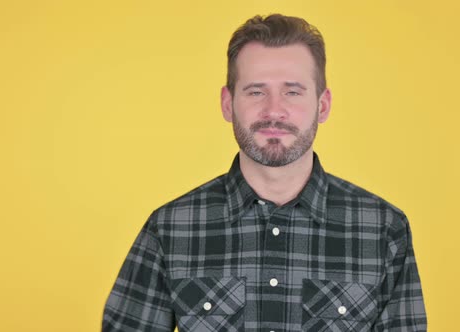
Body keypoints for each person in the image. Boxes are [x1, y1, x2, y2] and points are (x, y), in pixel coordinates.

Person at [102, 14, 427, 332]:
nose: (273, 110)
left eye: (293, 91)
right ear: (228, 104)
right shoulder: (170, 228)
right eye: (256, 91)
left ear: (323, 105)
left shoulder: (384, 230)